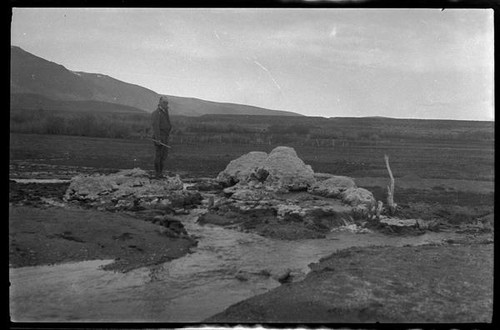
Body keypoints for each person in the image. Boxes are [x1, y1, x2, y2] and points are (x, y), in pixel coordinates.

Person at [151, 96, 172, 178]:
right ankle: (158, 173)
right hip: (160, 137)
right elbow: (156, 127)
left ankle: (160, 173)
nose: (166, 104)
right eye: (164, 102)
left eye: (167, 103)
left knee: (163, 156)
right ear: (159, 102)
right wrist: (158, 139)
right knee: (158, 155)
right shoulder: (156, 113)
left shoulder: (165, 112)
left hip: (165, 137)